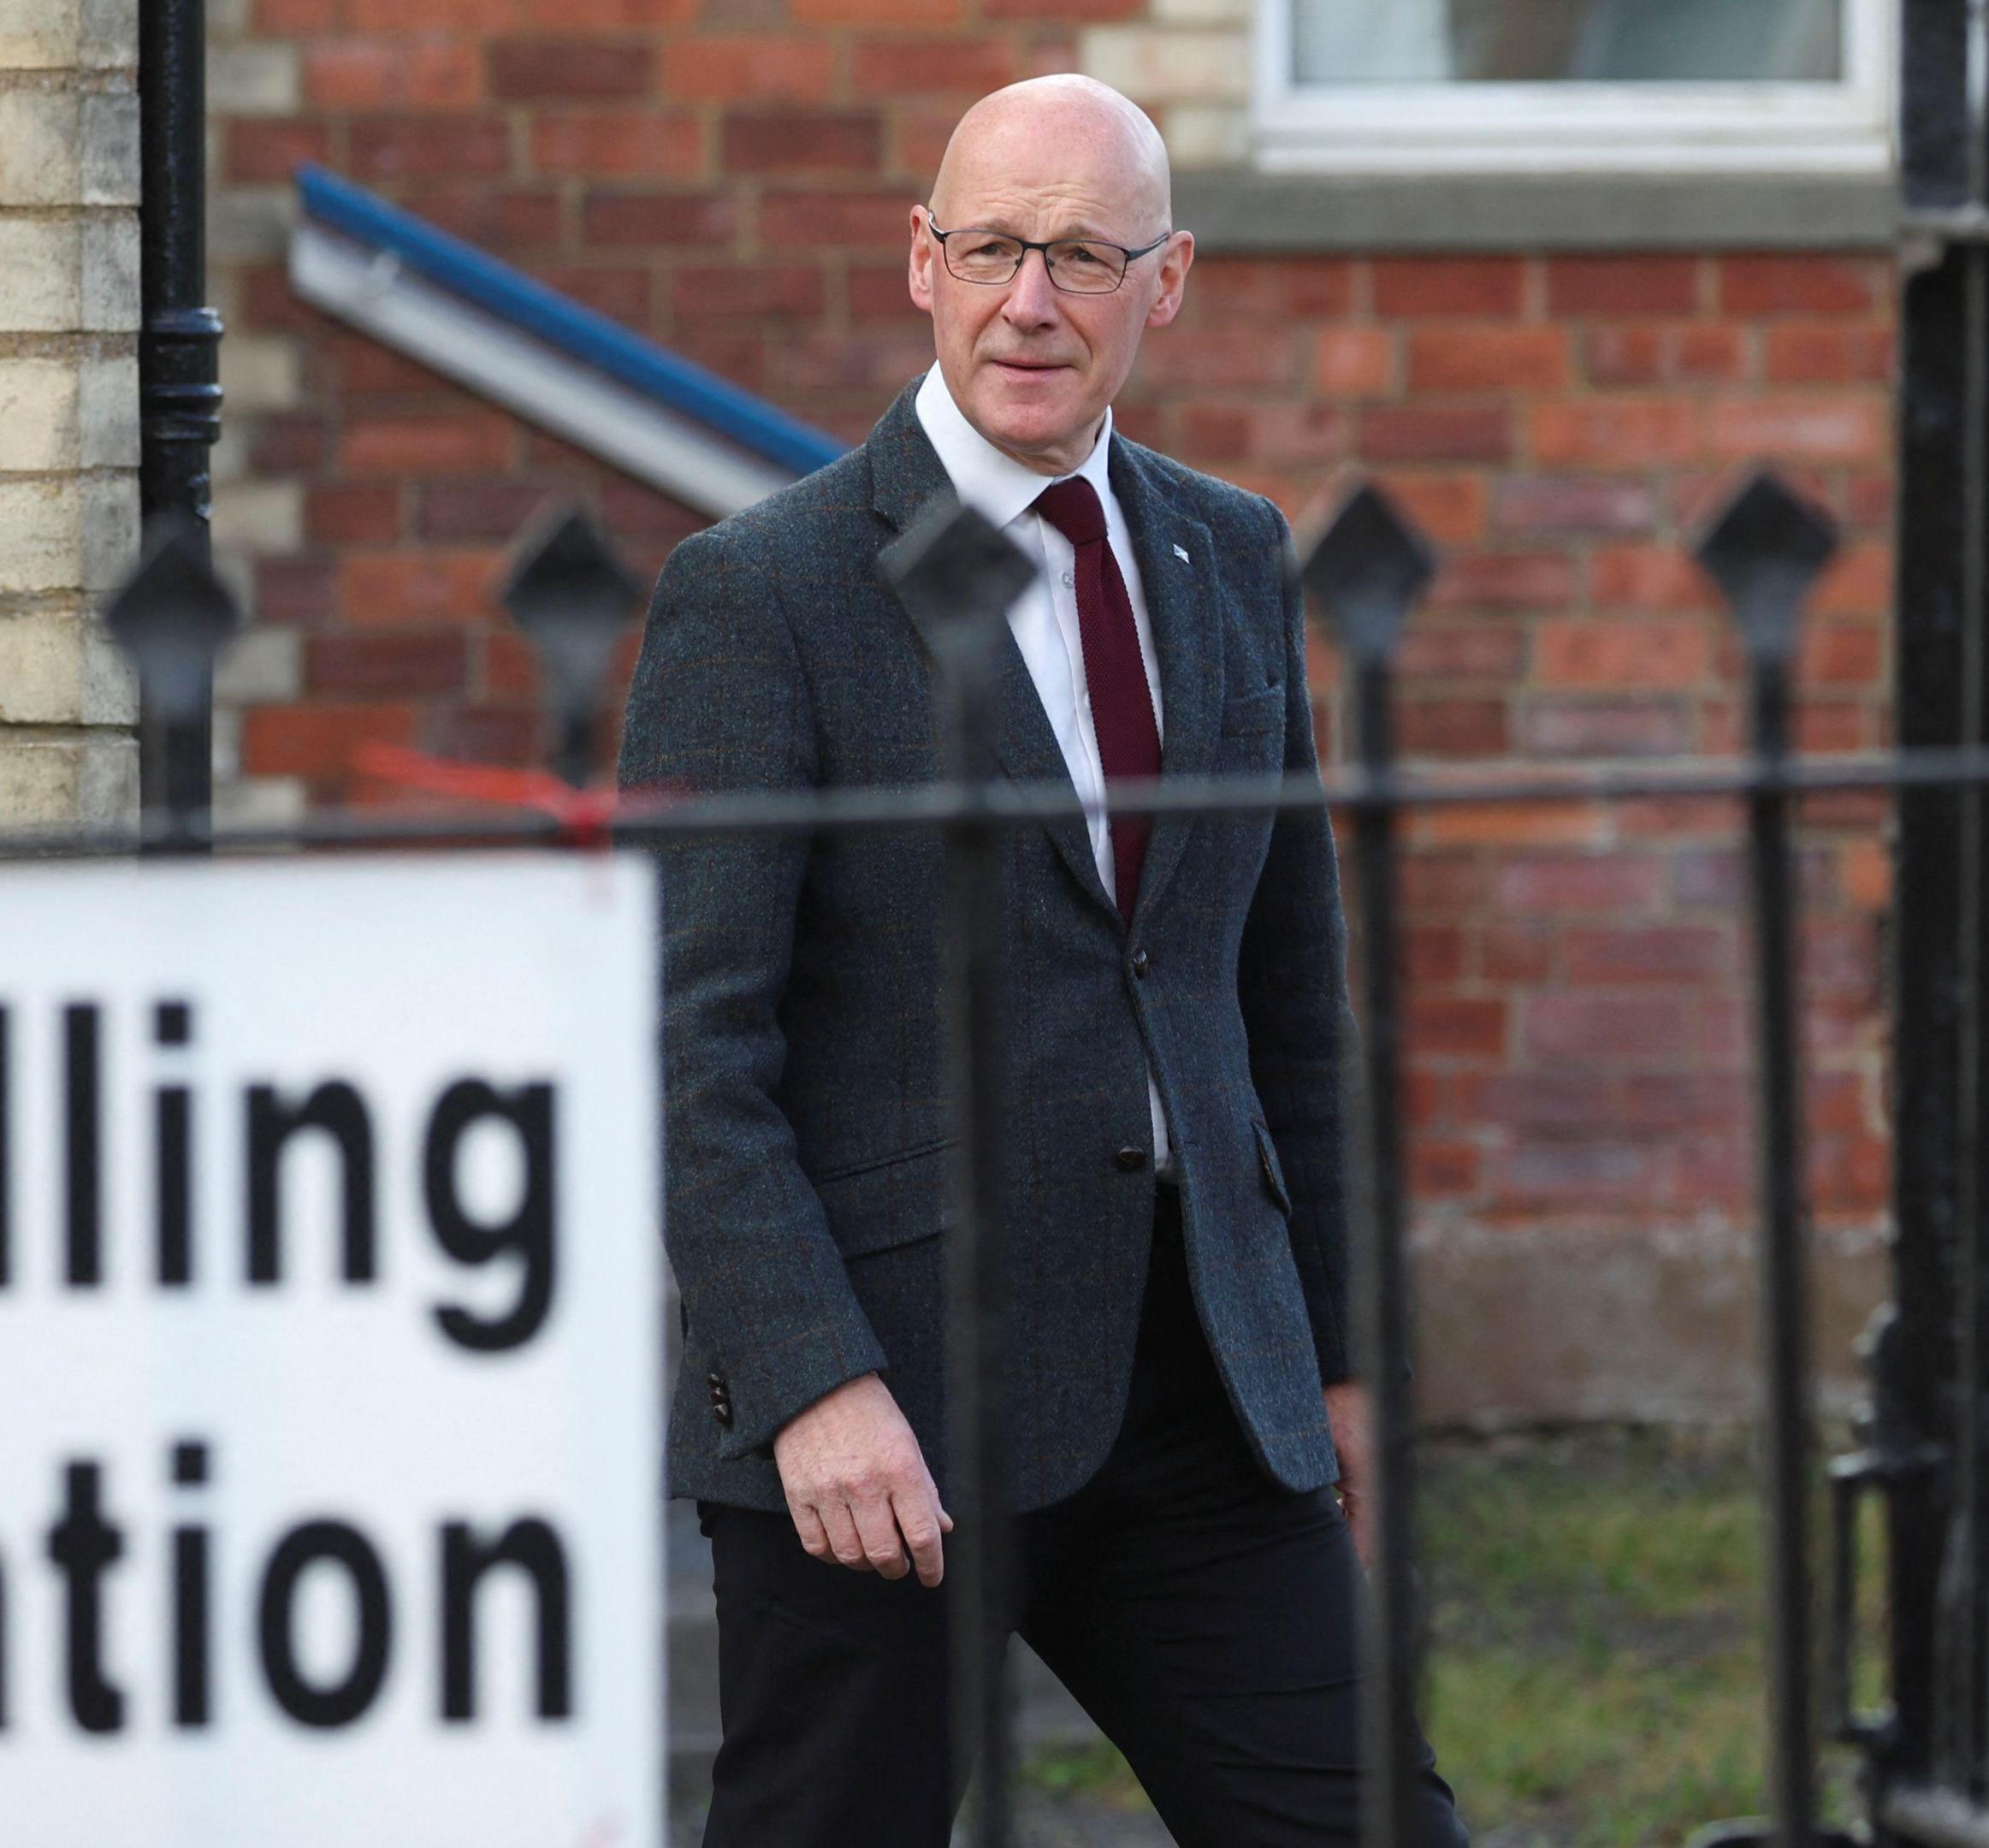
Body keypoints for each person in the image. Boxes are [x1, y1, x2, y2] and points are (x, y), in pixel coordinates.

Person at [618, 72, 1468, 1848]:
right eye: (994, 246)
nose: (1031, 301)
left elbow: (1284, 995)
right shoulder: (762, 593)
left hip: (1201, 1393)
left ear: (1166, 285)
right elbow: (686, 1041)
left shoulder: (1226, 554)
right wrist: (806, 1380)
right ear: (920, 263)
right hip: (884, 1420)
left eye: (1083, 255)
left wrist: (1335, 1356)